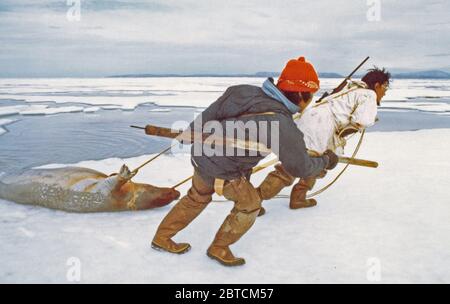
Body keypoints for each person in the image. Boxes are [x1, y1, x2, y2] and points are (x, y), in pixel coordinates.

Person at [151, 56, 339, 266]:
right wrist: (325, 161)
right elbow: (300, 167)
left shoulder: (240, 91)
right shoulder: (282, 125)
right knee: (250, 204)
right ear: (302, 94)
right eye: (311, 95)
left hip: (201, 156)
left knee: (197, 197)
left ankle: (162, 237)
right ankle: (219, 248)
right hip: (225, 170)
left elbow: (204, 119)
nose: (311, 101)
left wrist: (190, 135)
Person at [257, 67, 391, 215]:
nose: (385, 91)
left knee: (315, 163)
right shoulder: (368, 94)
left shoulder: (349, 89)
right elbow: (363, 120)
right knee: (293, 168)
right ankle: (254, 201)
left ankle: (298, 197)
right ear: (377, 85)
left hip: (310, 119)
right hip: (321, 128)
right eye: (385, 86)